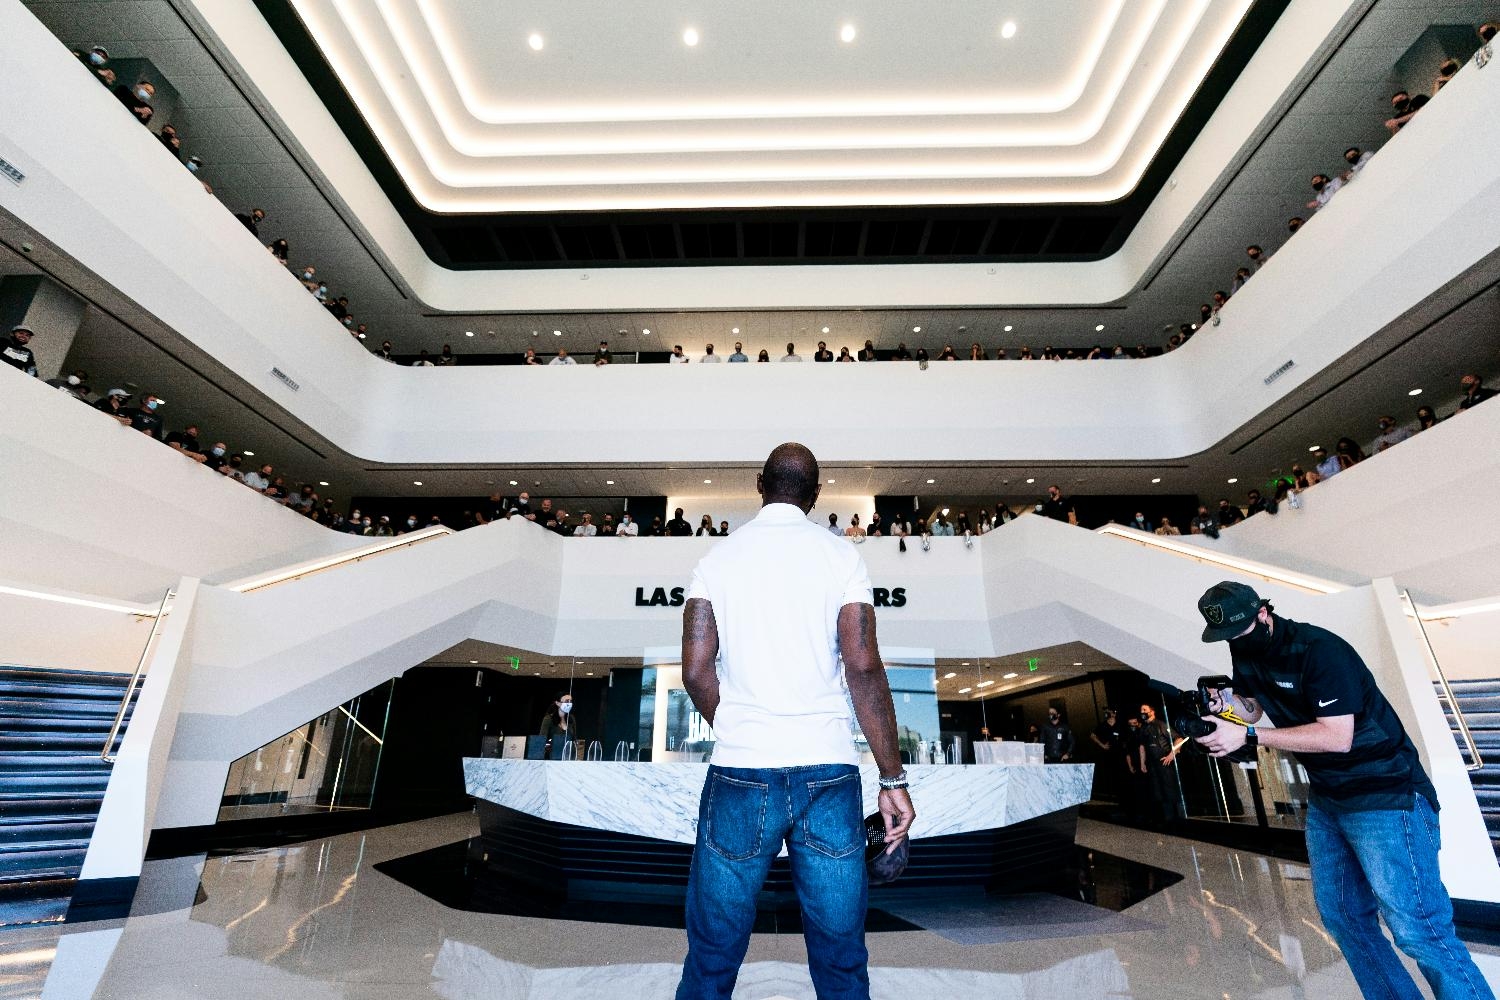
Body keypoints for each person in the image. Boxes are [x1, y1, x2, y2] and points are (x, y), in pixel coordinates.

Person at [674, 442, 913, 1000]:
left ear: (760, 485)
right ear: (816, 494)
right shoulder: (842, 559)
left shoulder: (715, 563)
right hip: (827, 774)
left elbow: (694, 670)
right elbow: (862, 666)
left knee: (712, 953)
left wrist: (733, 723)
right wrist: (893, 778)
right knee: (841, 956)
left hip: (740, 773)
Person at [1193, 582, 1493, 1000]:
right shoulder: (1245, 648)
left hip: (1387, 796)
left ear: (1263, 613)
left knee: (1417, 929)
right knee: (1344, 917)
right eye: (1226, 637)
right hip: (1330, 797)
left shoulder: (1321, 650)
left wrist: (1247, 735)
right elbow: (1255, 705)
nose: (1235, 643)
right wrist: (1228, 705)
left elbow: (1337, 737)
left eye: (1240, 632)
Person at [1138, 702, 1182, 826]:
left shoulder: (1161, 724)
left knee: (1170, 790)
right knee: (1157, 791)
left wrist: (1171, 755)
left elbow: (1178, 738)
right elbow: (1142, 746)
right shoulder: (1143, 728)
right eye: (1141, 710)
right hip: (1152, 764)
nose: (1142, 712)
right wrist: (1142, 763)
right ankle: (1165, 820)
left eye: (1144, 709)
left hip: (1164, 762)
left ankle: (1178, 819)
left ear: (1152, 711)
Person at [540, 692, 574, 759]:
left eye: (570, 701)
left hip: (568, 757)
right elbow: (542, 740)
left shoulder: (571, 719)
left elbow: (574, 739)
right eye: (567, 701)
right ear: (557, 703)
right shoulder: (548, 719)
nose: (569, 704)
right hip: (551, 757)